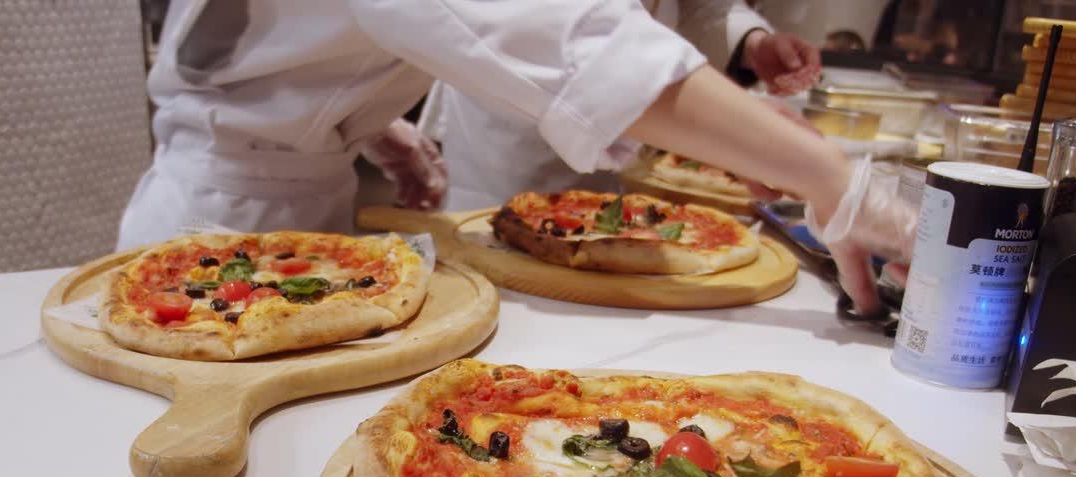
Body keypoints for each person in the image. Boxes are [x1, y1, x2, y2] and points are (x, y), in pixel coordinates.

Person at [118, 0, 912, 315]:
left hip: (264, 204)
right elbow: (577, 43)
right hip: (216, 235)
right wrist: (838, 183)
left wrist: (360, 122)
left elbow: (268, 40)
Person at [418, 0, 823, 210]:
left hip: (633, 125)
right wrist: (741, 128)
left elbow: (701, 6)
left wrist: (749, 41)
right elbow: (571, 26)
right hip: (517, 127)